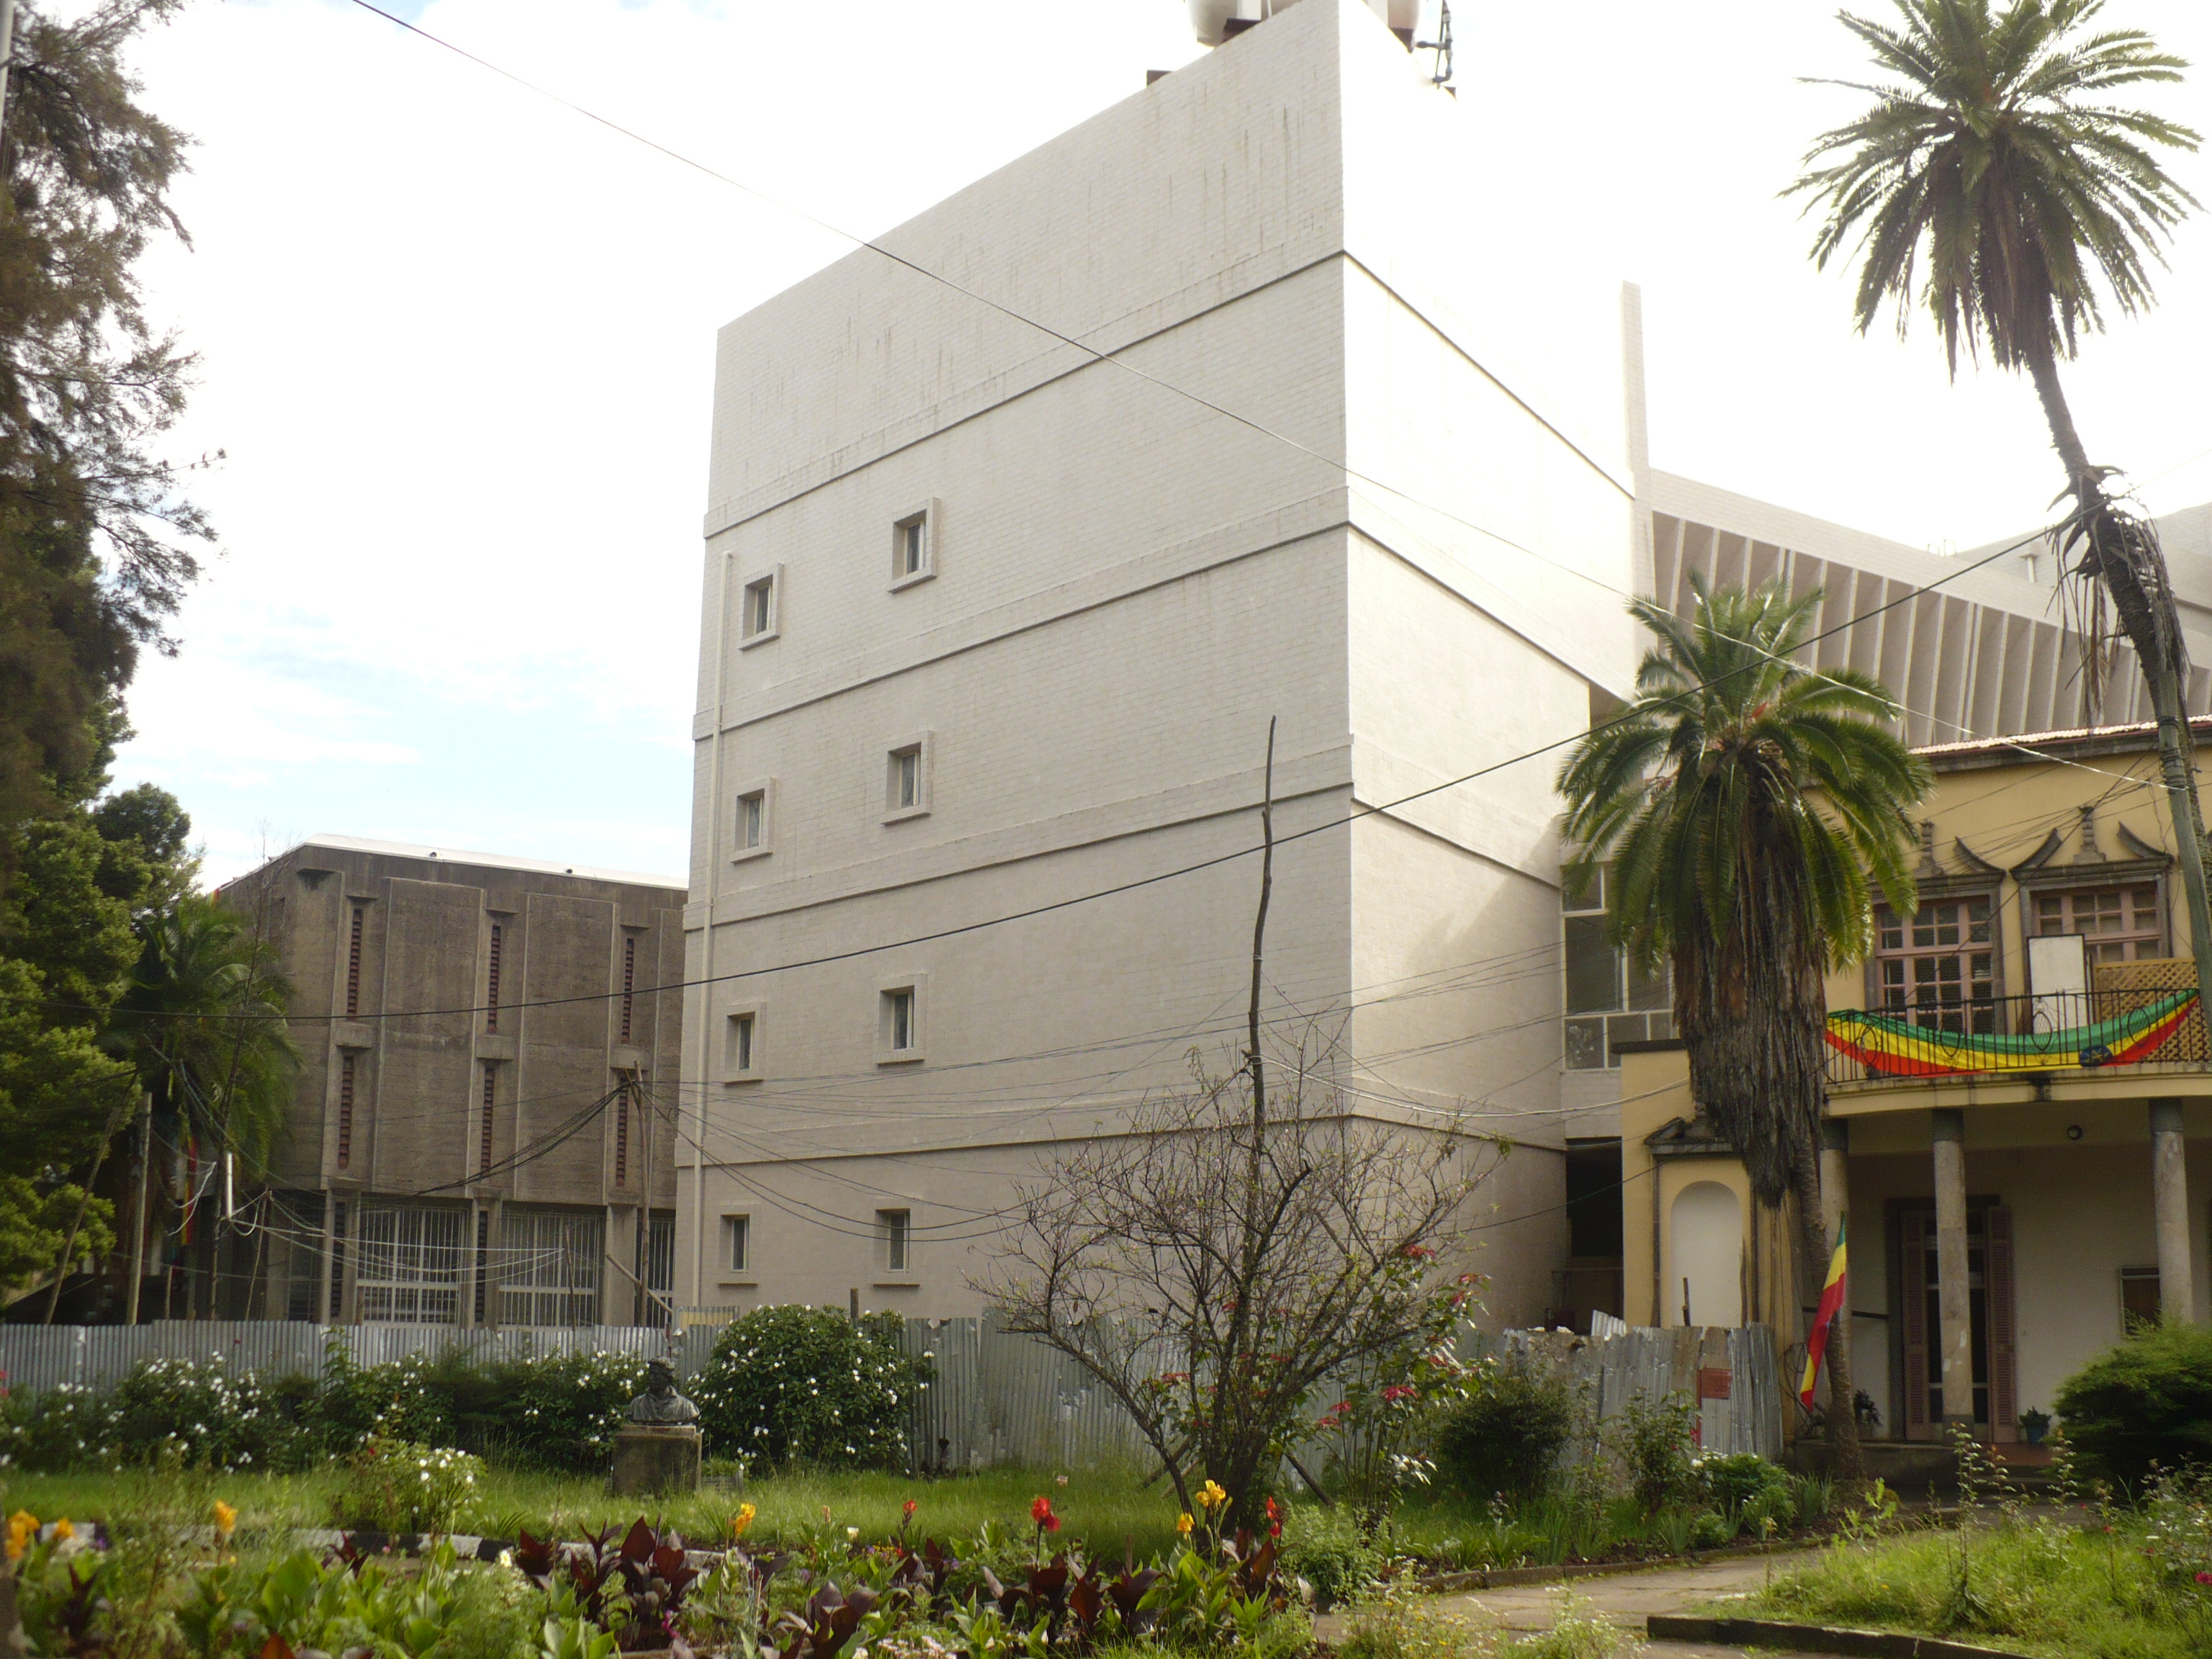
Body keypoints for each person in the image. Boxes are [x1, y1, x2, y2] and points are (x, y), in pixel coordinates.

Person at [626, 1358, 700, 1426]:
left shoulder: (686, 1407)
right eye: (650, 1374)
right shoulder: (637, 1405)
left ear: (668, 1378)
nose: (651, 1378)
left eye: (656, 1375)